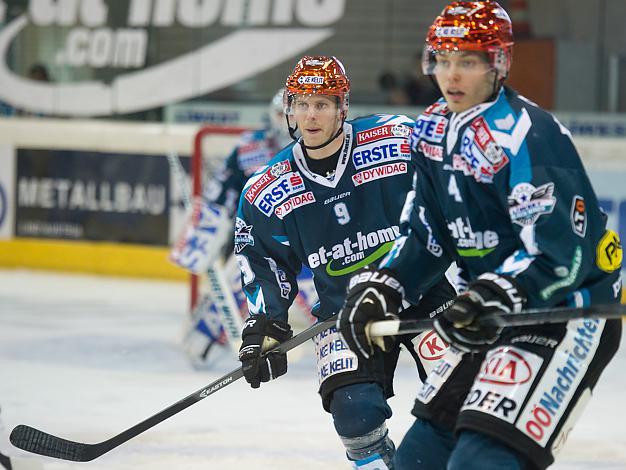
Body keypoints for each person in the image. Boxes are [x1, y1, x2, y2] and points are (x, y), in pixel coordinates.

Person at [337, 2, 622, 470]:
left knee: (482, 462)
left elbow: (560, 257)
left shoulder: (530, 135)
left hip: (566, 315)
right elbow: (426, 235)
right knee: (419, 460)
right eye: (442, 60)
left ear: (499, 64)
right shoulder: (430, 128)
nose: (452, 75)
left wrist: (491, 294)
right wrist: (382, 287)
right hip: (489, 313)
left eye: (467, 61)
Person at [234, 55, 456, 469]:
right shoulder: (269, 187)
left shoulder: (397, 140)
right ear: (290, 109)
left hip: (421, 292)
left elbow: (450, 190)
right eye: (302, 103)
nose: (311, 114)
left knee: (460, 395)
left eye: (322, 103)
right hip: (345, 311)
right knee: (355, 414)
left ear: (342, 108)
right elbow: (263, 260)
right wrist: (265, 326)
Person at [171, 88, 308, 363]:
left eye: (290, 113)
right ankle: (203, 346)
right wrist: (203, 232)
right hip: (261, 243)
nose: (285, 120)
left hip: (312, 244)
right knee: (238, 282)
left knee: (336, 298)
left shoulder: (321, 147)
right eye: (281, 113)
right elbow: (221, 190)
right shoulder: (250, 148)